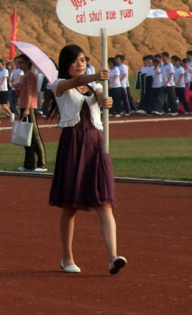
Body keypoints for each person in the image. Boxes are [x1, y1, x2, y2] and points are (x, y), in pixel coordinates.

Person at [48, 44, 127, 275]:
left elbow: (102, 97)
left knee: (104, 202)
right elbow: (71, 84)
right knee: (70, 205)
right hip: (73, 144)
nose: (80, 63)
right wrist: (95, 75)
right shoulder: (59, 85)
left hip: (96, 145)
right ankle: (67, 257)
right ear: (66, 64)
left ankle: (113, 257)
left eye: (83, 59)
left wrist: (106, 101)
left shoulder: (94, 87)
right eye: (75, 61)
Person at [14, 54, 47, 172]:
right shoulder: (24, 76)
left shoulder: (31, 76)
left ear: (28, 63)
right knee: (26, 136)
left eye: (21, 62)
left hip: (30, 108)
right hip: (24, 106)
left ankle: (42, 163)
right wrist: (17, 89)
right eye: (18, 62)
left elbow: (29, 94)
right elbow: (21, 94)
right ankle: (29, 163)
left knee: (35, 135)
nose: (19, 64)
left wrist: (27, 109)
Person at [0, 58, 15, 125]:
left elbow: (4, 80)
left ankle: (11, 114)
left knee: (4, 106)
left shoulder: (5, 71)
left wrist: (0, 87)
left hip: (3, 90)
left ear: (2, 63)